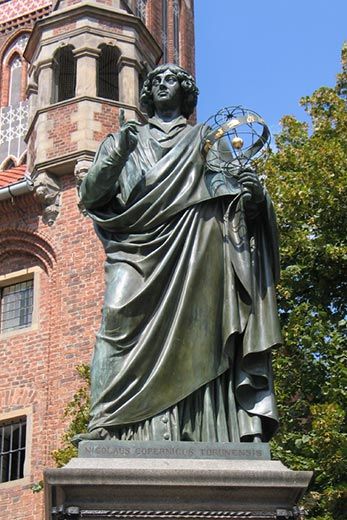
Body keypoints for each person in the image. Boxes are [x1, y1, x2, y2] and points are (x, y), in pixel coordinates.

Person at [74, 64, 282, 445]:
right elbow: (91, 196)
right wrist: (117, 152)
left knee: (201, 337)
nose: (163, 85)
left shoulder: (204, 139)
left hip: (197, 247)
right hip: (136, 249)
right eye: (156, 81)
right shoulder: (124, 137)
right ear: (147, 92)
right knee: (116, 320)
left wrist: (251, 199)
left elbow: (228, 196)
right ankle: (108, 418)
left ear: (185, 92)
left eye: (172, 79)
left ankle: (205, 427)